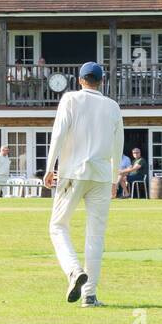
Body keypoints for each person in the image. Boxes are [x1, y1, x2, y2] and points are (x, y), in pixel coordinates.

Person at [45, 61, 123, 308]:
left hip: (72, 172)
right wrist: (114, 179)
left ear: (80, 80)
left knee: (58, 225)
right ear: (101, 81)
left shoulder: (70, 99)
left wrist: (49, 168)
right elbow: (117, 145)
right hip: (100, 175)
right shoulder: (112, 106)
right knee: (96, 235)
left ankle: (73, 271)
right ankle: (89, 295)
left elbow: (58, 134)